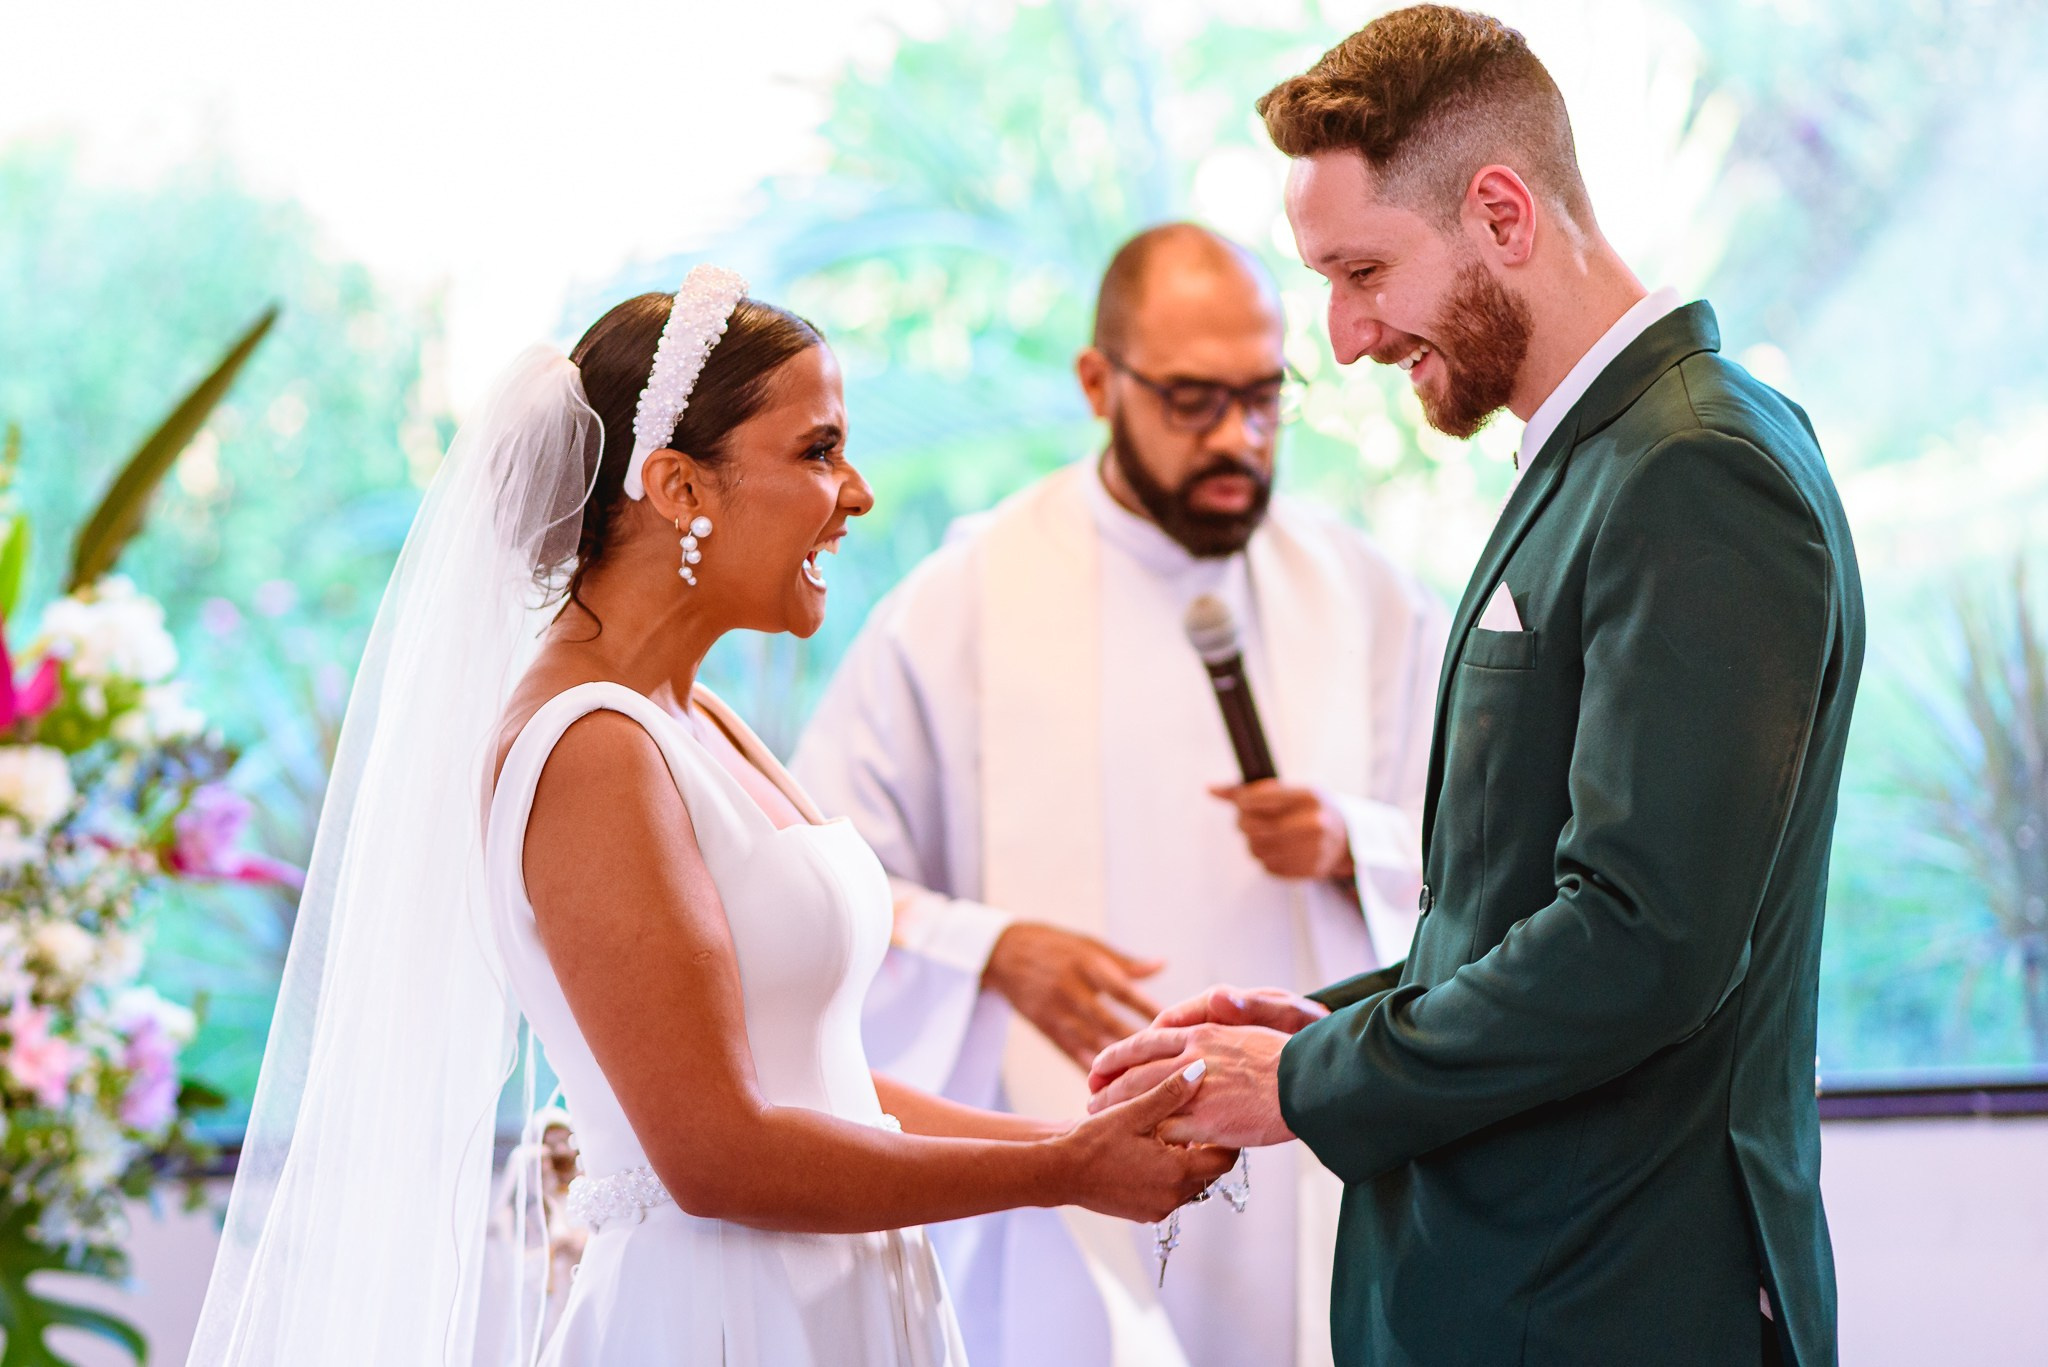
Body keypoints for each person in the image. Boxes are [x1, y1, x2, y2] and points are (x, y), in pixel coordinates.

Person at [186, 268, 1235, 1367]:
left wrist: (1083, 1136)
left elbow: (808, 1076)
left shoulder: (696, 718)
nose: (859, 491)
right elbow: (717, 1152)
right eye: (818, 450)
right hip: (723, 1316)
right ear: (681, 487)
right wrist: (1059, 1173)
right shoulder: (591, 748)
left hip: (834, 1295)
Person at [1090, 9, 1864, 1367]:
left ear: (1502, 211)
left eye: (1364, 271)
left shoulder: (1695, 471)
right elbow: (1518, 899)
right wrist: (1327, 1019)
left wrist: (1307, 1082)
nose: (1342, 336)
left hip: (1605, 1299)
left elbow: (1640, 938)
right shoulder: (1600, 461)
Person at [793, 224, 1447, 1367]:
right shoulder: (964, 602)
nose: (1236, 439)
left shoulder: (1364, 597)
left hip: (1307, 1176)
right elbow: (815, 893)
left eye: (1262, 397)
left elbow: (1488, 861)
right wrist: (994, 949)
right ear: (1099, 382)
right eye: (1192, 400)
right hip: (1058, 1179)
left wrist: (1357, 840)